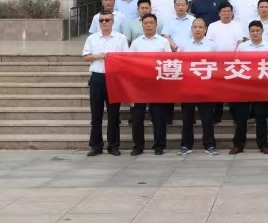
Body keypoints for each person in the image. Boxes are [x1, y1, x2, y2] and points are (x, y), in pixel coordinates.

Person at [82, 10, 128, 156]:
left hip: (114, 78)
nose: (104, 23)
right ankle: (96, 145)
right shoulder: (92, 38)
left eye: (107, 20)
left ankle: (113, 145)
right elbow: (86, 56)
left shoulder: (121, 38)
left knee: (113, 114)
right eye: (101, 20)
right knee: (96, 114)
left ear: (112, 22)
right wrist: (98, 56)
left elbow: (126, 58)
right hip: (97, 77)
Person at [228, 21, 268, 155]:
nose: (255, 33)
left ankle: (263, 145)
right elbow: (235, 63)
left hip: (261, 87)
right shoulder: (242, 47)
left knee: (261, 117)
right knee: (241, 118)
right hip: (244, 86)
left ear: (262, 31)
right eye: (252, 31)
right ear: (249, 32)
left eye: (257, 30)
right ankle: (238, 145)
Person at [128, 14, 171, 156]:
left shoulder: (163, 42)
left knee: (158, 117)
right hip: (140, 84)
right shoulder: (136, 43)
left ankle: (159, 146)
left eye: (151, 23)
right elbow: (130, 63)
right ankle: (138, 146)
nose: (148, 25)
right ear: (142, 25)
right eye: (146, 23)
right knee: (137, 117)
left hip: (157, 83)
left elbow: (168, 61)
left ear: (156, 25)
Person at [177, 18, 218, 156]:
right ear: (191, 29)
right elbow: (178, 63)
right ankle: (186, 145)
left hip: (206, 87)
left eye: (200, 27)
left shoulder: (212, 46)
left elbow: (217, 65)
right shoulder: (184, 45)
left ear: (205, 29)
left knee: (207, 118)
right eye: (195, 27)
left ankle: (210, 145)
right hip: (188, 86)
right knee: (187, 118)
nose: (198, 29)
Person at [206, 2, 244, 124]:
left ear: (232, 13)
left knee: (233, 90)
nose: (226, 13)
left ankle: (235, 116)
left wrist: (235, 58)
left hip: (233, 63)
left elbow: (240, 43)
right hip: (217, 62)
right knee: (217, 90)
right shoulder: (213, 26)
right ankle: (217, 116)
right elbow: (209, 44)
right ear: (219, 13)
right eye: (224, 11)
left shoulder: (237, 26)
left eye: (229, 11)